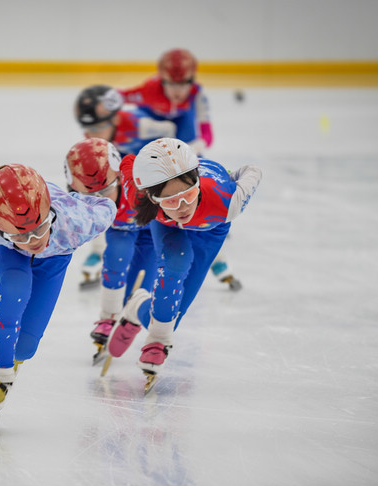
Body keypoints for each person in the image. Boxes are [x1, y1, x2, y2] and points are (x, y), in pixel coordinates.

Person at [0, 164, 116, 420]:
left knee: (26, 347)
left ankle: (13, 361)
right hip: (12, 255)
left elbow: (107, 207)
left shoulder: (77, 224)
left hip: (57, 254)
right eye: (21, 236)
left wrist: (80, 198)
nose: (33, 242)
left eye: (39, 230)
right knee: (13, 291)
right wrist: (14, 238)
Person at [106, 138, 262, 389]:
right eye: (169, 201)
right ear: (151, 197)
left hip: (211, 227)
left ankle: (137, 308)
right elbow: (128, 161)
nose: (182, 207)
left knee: (171, 316)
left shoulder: (228, 202)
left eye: (188, 195)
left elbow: (252, 170)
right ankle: (158, 342)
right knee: (176, 265)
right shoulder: (139, 196)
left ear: (197, 184)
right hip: (167, 227)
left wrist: (229, 177)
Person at [120, 48, 242, 290]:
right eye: (171, 84)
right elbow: (117, 101)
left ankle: (210, 232)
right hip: (155, 138)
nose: (178, 90)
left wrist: (196, 146)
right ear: (161, 80)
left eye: (184, 83)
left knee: (195, 182)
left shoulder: (197, 95)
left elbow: (206, 132)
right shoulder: (147, 91)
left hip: (183, 141)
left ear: (192, 81)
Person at [64, 137, 157, 362]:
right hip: (122, 230)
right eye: (89, 196)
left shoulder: (140, 181)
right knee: (115, 257)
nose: (99, 201)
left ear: (118, 178)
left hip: (153, 232)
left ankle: (129, 318)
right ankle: (107, 318)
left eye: (105, 191)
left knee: (141, 285)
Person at [72, 85, 175, 287]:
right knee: (97, 191)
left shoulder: (140, 125)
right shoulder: (94, 140)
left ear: (116, 119)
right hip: (124, 178)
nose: (93, 135)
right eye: (88, 129)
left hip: (149, 178)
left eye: (98, 127)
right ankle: (97, 249)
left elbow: (173, 131)